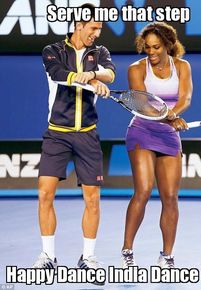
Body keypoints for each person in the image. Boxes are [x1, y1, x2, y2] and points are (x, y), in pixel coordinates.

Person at [33, 3, 116, 278]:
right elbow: (58, 75)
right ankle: (48, 255)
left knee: (92, 199)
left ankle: (89, 257)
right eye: (93, 28)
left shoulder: (99, 52)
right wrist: (88, 82)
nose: (96, 34)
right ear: (79, 24)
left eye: (100, 29)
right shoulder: (52, 51)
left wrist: (94, 75)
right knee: (45, 193)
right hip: (57, 133)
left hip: (88, 135)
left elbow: (110, 73)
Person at [121, 22, 193, 268]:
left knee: (171, 197)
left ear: (168, 46)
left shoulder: (182, 66)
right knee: (143, 190)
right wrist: (171, 117)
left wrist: (175, 114)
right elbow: (143, 104)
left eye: (156, 47)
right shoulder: (136, 68)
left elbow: (186, 97)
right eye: (147, 47)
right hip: (142, 131)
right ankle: (127, 253)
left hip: (169, 135)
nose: (150, 52)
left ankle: (167, 256)